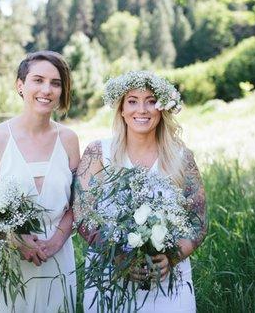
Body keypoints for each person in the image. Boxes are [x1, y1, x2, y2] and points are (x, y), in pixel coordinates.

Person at [76, 70, 207, 313]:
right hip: (110, 280)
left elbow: (198, 222)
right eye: (133, 101)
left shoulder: (181, 158)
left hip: (169, 282)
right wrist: (119, 257)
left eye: (150, 101)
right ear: (121, 110)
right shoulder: (97, 153)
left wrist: (172, 258)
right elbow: (82, 214)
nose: (142, 110)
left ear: (161, 109)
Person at [0, 51, 79, 312]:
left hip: (57, 260)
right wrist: (17, 241)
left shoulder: (69, 139)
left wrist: (55, 243)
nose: (46, 89)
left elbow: (78, 204)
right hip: (7, 267)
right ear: (21, 85)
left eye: (55, 83)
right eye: (38, 80)